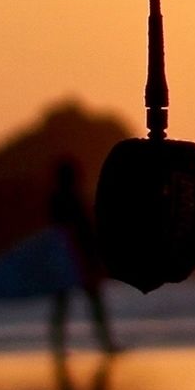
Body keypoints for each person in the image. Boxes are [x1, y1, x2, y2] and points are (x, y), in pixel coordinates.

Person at [44, 153, 116, 374]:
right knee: (90, 303)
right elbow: (82, 231)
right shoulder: (71, 199)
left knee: (64, 304)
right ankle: (105, 344)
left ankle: (59, 346)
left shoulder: (58, 199)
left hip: (66, 259)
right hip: (78, 258)